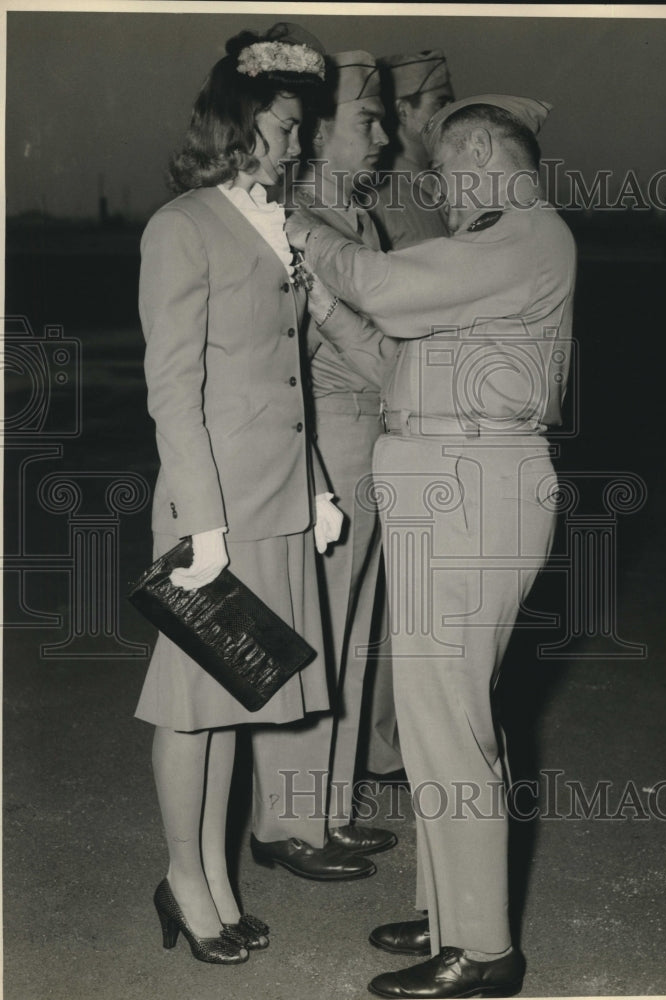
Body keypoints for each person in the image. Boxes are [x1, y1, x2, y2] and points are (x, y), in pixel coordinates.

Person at [287, 94, 574, 998]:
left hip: (473, 489)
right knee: (439, 718)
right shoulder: (492, 255)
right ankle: (454, 908)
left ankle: (483, 950)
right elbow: (389, 358)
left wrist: (298, 228)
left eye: (448, 175)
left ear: (485, 152)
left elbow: (385, 288)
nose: (442, 197)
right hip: (449, 484)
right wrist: (326, 302)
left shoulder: (523, 233)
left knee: (448, 723)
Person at [134, 23, 345, 965]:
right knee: (190, 705)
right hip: (211, 511)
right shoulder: (181, 227)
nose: (298, 144)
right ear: (240, 123)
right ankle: (186, 879)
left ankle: (213, 879)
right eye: (287, 127)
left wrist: (321, 488)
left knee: (233, 702)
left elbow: (291, 381)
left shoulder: (275, 223)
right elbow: (172, 387)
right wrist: (204, 524)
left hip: (275, 501)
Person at [265, 49, 398, 862]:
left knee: (351, 635)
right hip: (326, 448)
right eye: (366, 118)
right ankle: (285, 823)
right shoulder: (296, 226)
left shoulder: (359, 220)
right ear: (313, 133)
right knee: (308, 633)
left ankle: (330, 805)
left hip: (371, 445)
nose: (382, 135)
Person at [363, 49, 455, 784]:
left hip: (432, 408)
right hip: (394, 409)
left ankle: (385, 745)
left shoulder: (431, 186)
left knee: (410, 590)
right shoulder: (390, 190)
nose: (446, 115)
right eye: (437, 101)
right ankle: (377, 747)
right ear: (400, 114)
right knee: (389, 590)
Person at [371, 49, 454, 252]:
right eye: (441, 104)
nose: (451, 115)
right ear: (403, 111)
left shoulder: (449, 184)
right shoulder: (380, 197)